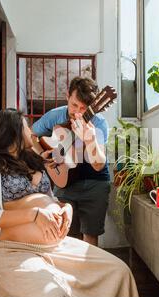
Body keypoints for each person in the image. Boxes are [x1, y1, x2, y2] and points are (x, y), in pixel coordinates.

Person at [0, 109, 139, 297]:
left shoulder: (31, 160)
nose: (31, 131)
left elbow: (50, 199)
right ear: (12, 131)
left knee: (119, 272)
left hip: (59, 248)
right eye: (25, 126)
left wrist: (67, 208)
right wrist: (35, 214)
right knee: (52, 295)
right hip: (14, 251)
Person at [31, 77, 110, 247]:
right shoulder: (54, 116)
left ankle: (88, 273)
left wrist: (90, 140)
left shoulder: (99, 123)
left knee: (90, 238)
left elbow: (98, 165)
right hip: (64, 182)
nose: (78, 113)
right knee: (63, 234)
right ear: (67, 96)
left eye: (83, 108)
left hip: (95, 182)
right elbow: (32, 136)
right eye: (74, 105)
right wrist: (43, 155)